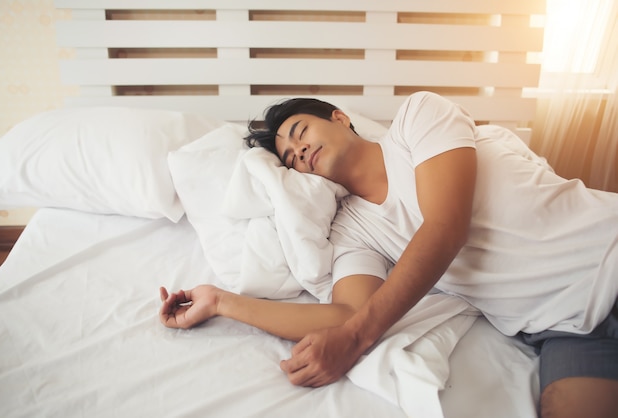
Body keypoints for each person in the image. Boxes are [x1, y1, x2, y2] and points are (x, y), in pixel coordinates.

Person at [159, 92, 618, 418]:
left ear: (339, 118)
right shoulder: (351, 230)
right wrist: (222, 301)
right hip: (565, 330)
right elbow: (345, 313)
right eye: (291, 159)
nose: (298, 150)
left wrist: (357, 339)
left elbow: (446, 227)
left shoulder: (420, 120)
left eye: (299, 132)